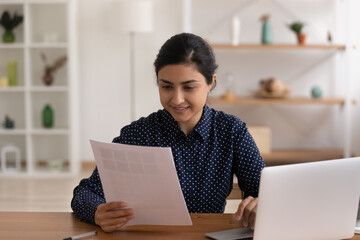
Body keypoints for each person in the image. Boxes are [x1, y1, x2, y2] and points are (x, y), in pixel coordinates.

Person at [71, 32, 265, 233]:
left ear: (211, 82)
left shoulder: (232, 132)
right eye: (166, 86)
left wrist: (261, 203)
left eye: (189, 87)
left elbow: (264, 192)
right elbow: (85, 193)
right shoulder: (138, 134)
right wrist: (97, 212)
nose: (177, 99)